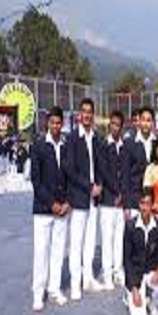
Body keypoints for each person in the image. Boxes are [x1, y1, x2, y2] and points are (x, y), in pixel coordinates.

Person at [30, 106, 71, 311]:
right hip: (43, 210)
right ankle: (38, 293)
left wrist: (67, 202)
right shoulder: (38, 146)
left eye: (58, 122)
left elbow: (70, 177)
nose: (55, 126)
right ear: (47, 123)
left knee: (58, 252)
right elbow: (36, 181)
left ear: (62, 124)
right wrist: (51, 204)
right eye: (52, 122)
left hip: (62, 209)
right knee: (41, 252)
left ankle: (54, 289)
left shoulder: (66, 146)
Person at [65, 98, 104, 299]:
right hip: (79, 198)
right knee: (76, 242)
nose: (87, 115)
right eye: (84, 111)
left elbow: (100, 165)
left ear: (92, 115)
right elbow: (70, 170)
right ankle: (75, 284)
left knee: (90, 240)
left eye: (90, 112)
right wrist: (89, 187)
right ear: (79, 114)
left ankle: (88, 279)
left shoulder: (96, 138)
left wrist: (100, 185)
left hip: (94, 198)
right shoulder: (72, 138)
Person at [123, 188, 158, 315]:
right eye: (142, 203)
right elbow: (127, 260)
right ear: (138, 204)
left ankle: (153, 303)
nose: (144, 207)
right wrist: (134, 288)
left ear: (152, 205)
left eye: (148, 203)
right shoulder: (130, 226)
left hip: (151, 270)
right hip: (136, 274)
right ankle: (130, 294)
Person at [99, 110, 126, 290]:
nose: (115, 128)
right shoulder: (103, 145)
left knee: (119, 238)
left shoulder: (124, 146)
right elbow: (104, 172)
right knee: (107, 239)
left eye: (118, 125)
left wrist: (123, 195)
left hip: (121, 201)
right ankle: (107, 274)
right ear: (109, 126)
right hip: (108, 200)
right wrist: (117, 193)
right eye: (113, 124)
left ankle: (118, 271)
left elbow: (126, 172)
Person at [121, 106, 156, 219]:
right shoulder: (129, 143)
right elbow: (125, 175)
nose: (145, 124)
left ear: (153, 123)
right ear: (139, 121)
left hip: (154, 203)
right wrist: (126, 205)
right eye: (143, 120)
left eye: (148, 120)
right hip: (134, 202)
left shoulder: (157, 143)